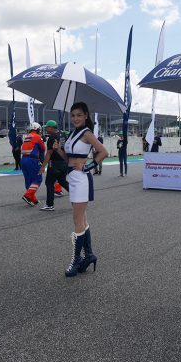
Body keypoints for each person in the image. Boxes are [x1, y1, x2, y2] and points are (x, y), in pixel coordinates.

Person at [53, 102, 108, 277]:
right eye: (73, 115)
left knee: (77, 220)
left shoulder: (87, 133)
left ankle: (76, 260)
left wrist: (88, 167)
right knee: (82, 220)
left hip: (81, 179)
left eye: (79, 115)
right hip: (72, 177)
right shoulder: (72, 134)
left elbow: (103, 152)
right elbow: (68, 159)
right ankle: (89, 254)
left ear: (85, 116)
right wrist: (58, 150)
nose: (75, 118)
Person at [39, 120, 69, 211]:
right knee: (62, 181)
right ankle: (77, 195)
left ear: (51, 128)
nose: (46, 129)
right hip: (64, 162)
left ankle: (49, 204)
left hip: (55, 163)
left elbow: (49, 153)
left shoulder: (52, 137)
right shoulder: (63, 134)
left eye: (47, 128)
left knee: (49, 183)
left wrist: (43, 166)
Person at [20, 122, 45, 206]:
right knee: (38, 179)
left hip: (23, 159)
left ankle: (33, 199)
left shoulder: (27, 137)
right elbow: (43, 148)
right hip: (32, 160)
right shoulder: (37, 137)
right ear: (37, 129)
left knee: (29, 181)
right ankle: (27, 196)